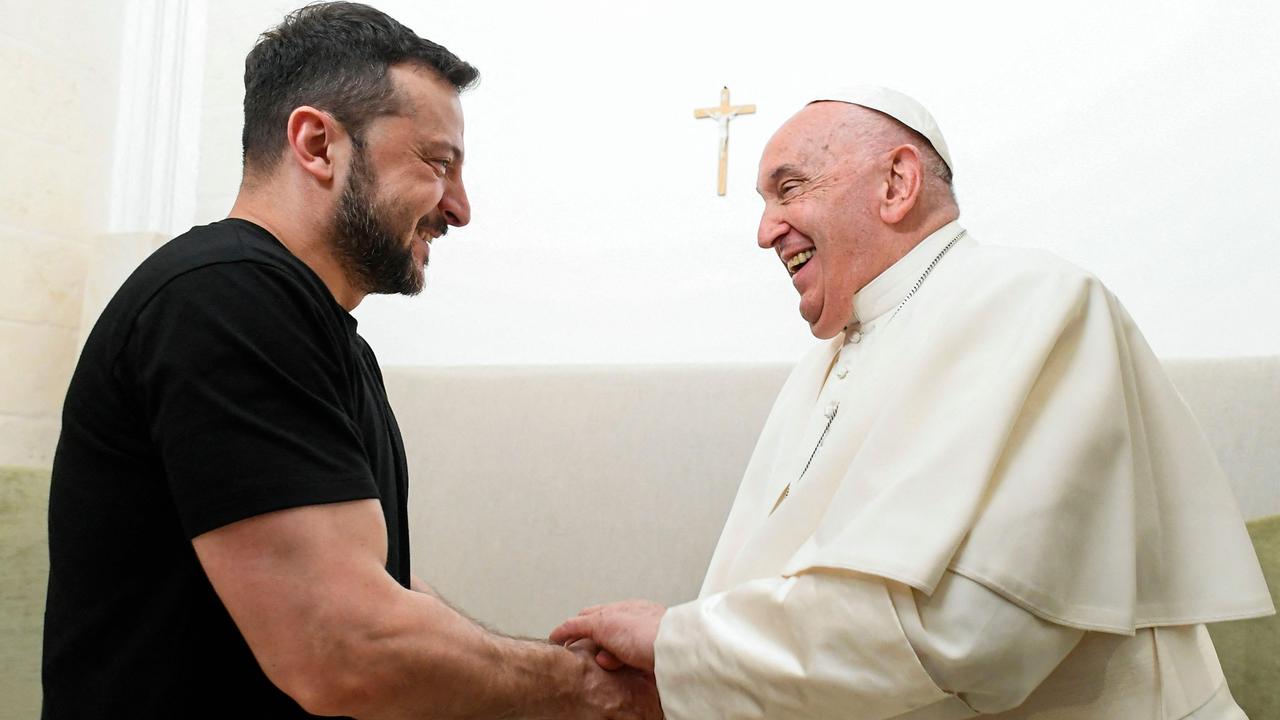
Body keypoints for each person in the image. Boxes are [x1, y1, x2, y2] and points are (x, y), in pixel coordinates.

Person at [552, 86, 1275, 718]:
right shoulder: (821, 365)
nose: (765, 229)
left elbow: (977, 636)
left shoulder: (1033, 301)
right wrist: (684, 670)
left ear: (896, 183)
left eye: (789, 188)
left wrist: (679, 646)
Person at [42, 4, 659, 718]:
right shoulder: (221, 299)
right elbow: (348, 644)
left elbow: (371, 586)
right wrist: (588, 692)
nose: (459, 208)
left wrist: (553, 662)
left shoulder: (317, 330)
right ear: (316, 143)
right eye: (437, 162)